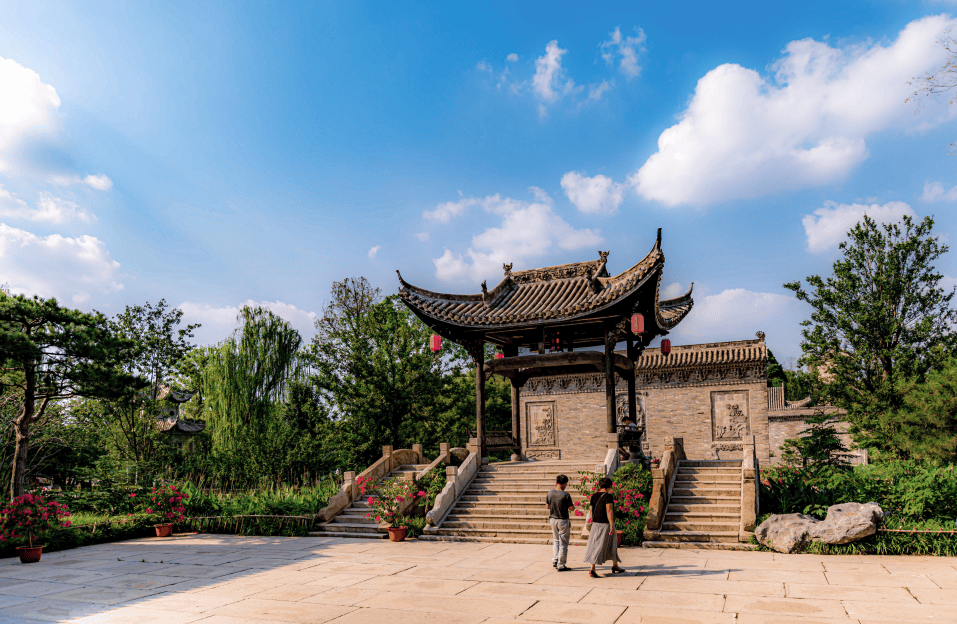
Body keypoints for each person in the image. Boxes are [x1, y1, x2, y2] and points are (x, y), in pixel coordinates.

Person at [583, 476, 624, 577]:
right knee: (601, 546)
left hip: (596, 524)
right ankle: (592, 569)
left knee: (603, 544)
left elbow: (591, 511)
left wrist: (594, 522)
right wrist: (612, 525)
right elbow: (609, 511)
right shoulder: (608, 496)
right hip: (605, 525)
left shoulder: (594, 496)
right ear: (609, 486)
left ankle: (615, 565)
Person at [546, 474, 573, 571]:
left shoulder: (549, 493)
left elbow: (547, 507)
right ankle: (561, 564)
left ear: (556, 483)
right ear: (564, 484)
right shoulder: (566, 495)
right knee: (563, 543)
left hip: (553, 519)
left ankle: (555, 560)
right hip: (563, 520)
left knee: (556, 540)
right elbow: (572, 508)